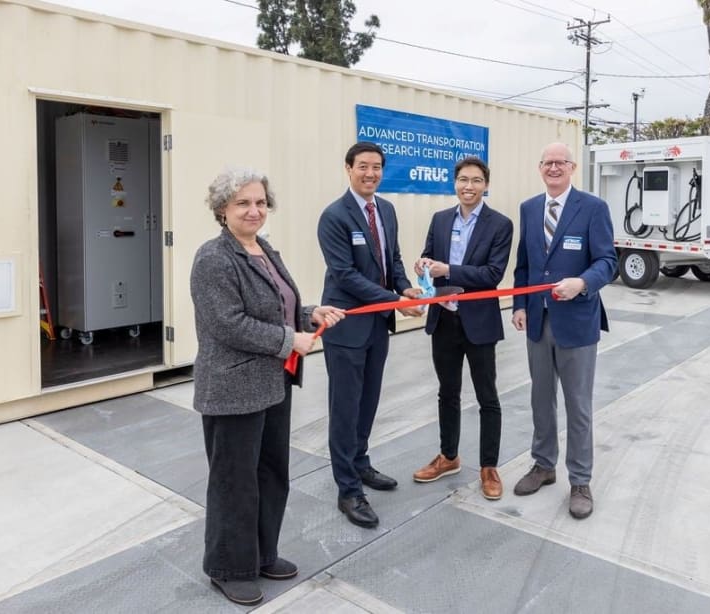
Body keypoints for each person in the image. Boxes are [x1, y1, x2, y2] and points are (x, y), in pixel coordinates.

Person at [190, 168, 345, 605]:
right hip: (233, 386)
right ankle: (228, 566)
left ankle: (261, 554)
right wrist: (288, 340)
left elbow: (279, 304)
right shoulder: (213, 258)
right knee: (233, 481)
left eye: (260, 202)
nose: (254, 210)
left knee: (271, 473)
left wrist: (308, 314)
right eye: (243, 203)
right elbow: (228, 323)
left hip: (273, 382)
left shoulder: (264, 250)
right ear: (222, 209)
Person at [317, 141, 424, 529]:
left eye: (377, 167)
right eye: (363, 166)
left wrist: (405, 287)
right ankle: (348, 489)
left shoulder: (386, 210)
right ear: (348, 169)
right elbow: (346, 276)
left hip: (378, 326)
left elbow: (391, 259)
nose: (370, 174)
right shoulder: (334, 216)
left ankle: (360, 464)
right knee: (344, 408)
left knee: (368, 402)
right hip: (346, 327)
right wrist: (395, 300)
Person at [511, 143, 617, 520]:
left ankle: (581, 480)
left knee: (578, 404)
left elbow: (608, 261)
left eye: (561, 162)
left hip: (577, 322)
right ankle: (543, 465)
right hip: (538, 321)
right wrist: (520, 305)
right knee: (541, 398)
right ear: (540, 168)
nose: (554, 168)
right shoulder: (528, 209)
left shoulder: (592, 208)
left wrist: (583, 283)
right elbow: (524, 264)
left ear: (572, 167)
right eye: (548, 163)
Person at [412, 156, 513, 500]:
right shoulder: (440, 219)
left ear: (485, 184)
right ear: (454, 183)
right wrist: (423, 265)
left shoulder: (500, 224)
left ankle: (489, 467)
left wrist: (448, 271)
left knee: (488, 397)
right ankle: (449, 456)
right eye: (462, 180)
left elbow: (491, 275)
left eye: (475, 180)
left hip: (479, 322)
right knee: (447, 392)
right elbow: (429, 257)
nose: (468, 186)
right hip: (444, 320)